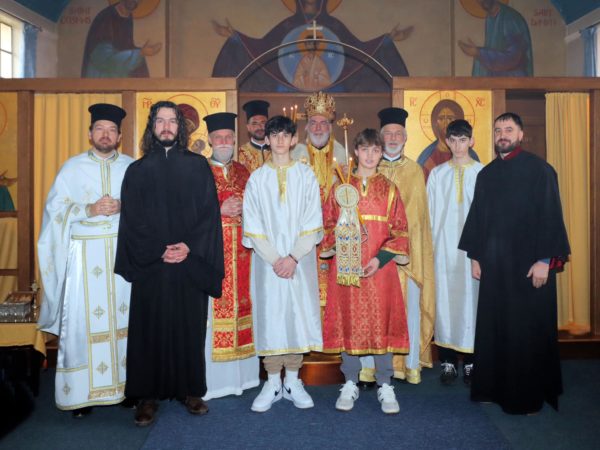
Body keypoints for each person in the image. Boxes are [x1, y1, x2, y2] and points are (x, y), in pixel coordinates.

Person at [114, 101, 224, 426]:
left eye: (172, 121)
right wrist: (158, 250)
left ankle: (190, 391)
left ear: (180, 127)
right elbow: (131, 221)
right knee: (149, 329)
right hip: (152, 265)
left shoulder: (198, 166)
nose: (166, 126)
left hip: (189, 262)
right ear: (152, 127)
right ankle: (147, 396)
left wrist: (188, 246)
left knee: (189, 327)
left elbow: (209, 214)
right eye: (160, 121)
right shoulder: (137, 171)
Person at [458, 112, 570, 415]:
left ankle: (526, 398)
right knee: (496, 328)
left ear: (520, 134)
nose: (502, 135)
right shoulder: (487, 175)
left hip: (528, 268)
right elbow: (478, 219)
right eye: (497, 130)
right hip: (495, 268)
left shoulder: (540, 171)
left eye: (508, 129)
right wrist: (475, 256)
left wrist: (545, 261)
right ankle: (492, 389)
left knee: (525, 332)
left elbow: (551, 217)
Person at [37, 103, 133, 417]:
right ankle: (82, 394)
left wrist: (124, 206)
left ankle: (127, 388)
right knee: (82, 322)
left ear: (119, 136)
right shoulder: (72, 168)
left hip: (121, 254)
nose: (106, 135)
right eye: (100, 129)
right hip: (84, 257)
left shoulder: (132, 167)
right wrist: (88, 209)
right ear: (90, 133)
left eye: (112, 130)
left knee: (125, 320)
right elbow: (54, 212)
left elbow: (149, 208)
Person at [321, 128, 410, 414]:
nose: (370, 156)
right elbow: (326, 225)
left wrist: (380, 259)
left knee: (381, 320)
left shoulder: (390, 189)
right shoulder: (340, 188)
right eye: (365, 150)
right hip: (347, 269)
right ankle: (350, 381)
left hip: (379, 271)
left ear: (381, 153)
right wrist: (341, 243)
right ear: (356, 152)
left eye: (375, 150)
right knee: (348, 319)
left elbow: (400, 231)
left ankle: (385, 383)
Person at [242, 115, 323, 413]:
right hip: (268, 265)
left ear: (293, 140)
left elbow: (313, 221)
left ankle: (293, 381)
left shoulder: (306, 175)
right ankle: (273, 381)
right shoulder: (257, 179)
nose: (279, 140)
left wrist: (293, 257)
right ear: (266, 140)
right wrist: (276, 259)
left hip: (299, 262)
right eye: (273, 135)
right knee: (271, 318)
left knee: (297, 316)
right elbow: (252, 226)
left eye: (284, 135)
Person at [360, 107, 435, 386]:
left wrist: (399, 250)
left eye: (398, 134)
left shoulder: (414, 171)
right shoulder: (369, 169)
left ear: (405, 138)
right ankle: (369, 368)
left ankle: (410, 365)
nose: (393, 138)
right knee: (371, 312)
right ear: (380, 138)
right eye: (388, 133)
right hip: (372, 257)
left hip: (406, 258)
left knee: (408, 311)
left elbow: (417, 219)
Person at [202, 112, 259, 399]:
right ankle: (214, 384)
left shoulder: (244, 171)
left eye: (228, 137)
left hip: (244, 256)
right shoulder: (198, 171)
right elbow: (188, 212)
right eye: (218, 137)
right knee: (212, 317)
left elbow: (259, 208)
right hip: (211, 254)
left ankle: (244, 380)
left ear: (235, 140)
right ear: (210, 140)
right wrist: (219, 209)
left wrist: (245, 209)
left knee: (245, 310)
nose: (224, 142)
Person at [427, 119, 483, 386]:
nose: (459, 146)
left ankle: (472, 362)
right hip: (443, 250)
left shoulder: (483, 173)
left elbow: (487, 217)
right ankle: (448, 361)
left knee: (473, 303)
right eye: (453, 140)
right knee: (445, 303)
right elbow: (429, 214)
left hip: (473, 252)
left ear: (471, 141)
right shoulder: (438, 175)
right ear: (447, 142)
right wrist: (430, 250)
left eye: (463, 140)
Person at [291, 91, 346, 308]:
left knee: (335, 294)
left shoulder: (343, 155)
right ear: (306, 126)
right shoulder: (294, 154)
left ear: (330, 127)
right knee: (304, 294)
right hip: (302, 233)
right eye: (313, 123)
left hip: (335, 234)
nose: (318, 128)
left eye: (323, 123)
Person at [81, 0, 162, 77]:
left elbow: (126, 47)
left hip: (118, 72)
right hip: (102, 75)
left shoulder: (127, 17)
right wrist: (140, 53)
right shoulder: (105, 18)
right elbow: (103, 58)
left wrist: (142, 52)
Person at [458, 0, 533, 77]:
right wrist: (478, 53)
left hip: (515, 80)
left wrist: (478, 53)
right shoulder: (490, 18)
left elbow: (513, 58)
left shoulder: (510, 18)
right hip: (498, 80)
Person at [416, 99, 479, 180]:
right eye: (441, 118)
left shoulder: (473, 158)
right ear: (435, 122)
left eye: (450, 118)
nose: (446, 122)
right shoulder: (427, 158)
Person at [238, 100, 271, 173]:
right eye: (254, 123)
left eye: (263, 122)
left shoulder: (276, 151)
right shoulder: (240, 153)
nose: (259, 127)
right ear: (248, 127)